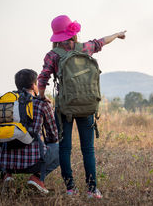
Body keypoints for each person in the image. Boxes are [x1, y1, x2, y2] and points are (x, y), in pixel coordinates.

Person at [38, 15, 126, 198]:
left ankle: (71, 189)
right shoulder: (85, 48)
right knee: (88, 149)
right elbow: (102, 42)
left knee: (65, 149)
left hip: (64, 107)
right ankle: (92, 190)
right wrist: (117, 34)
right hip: (87, 105)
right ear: (73, 33)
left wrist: (41, 97)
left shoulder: (53, 55)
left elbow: (43, 78)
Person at [0, 69, 59, 194]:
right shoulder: (41, 104)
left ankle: (7, 175)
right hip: (32, 162)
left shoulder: (4, 103)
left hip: (5, 162)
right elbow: (53, 135)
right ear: (33, 86)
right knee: (61, 148)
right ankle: (37, 178)